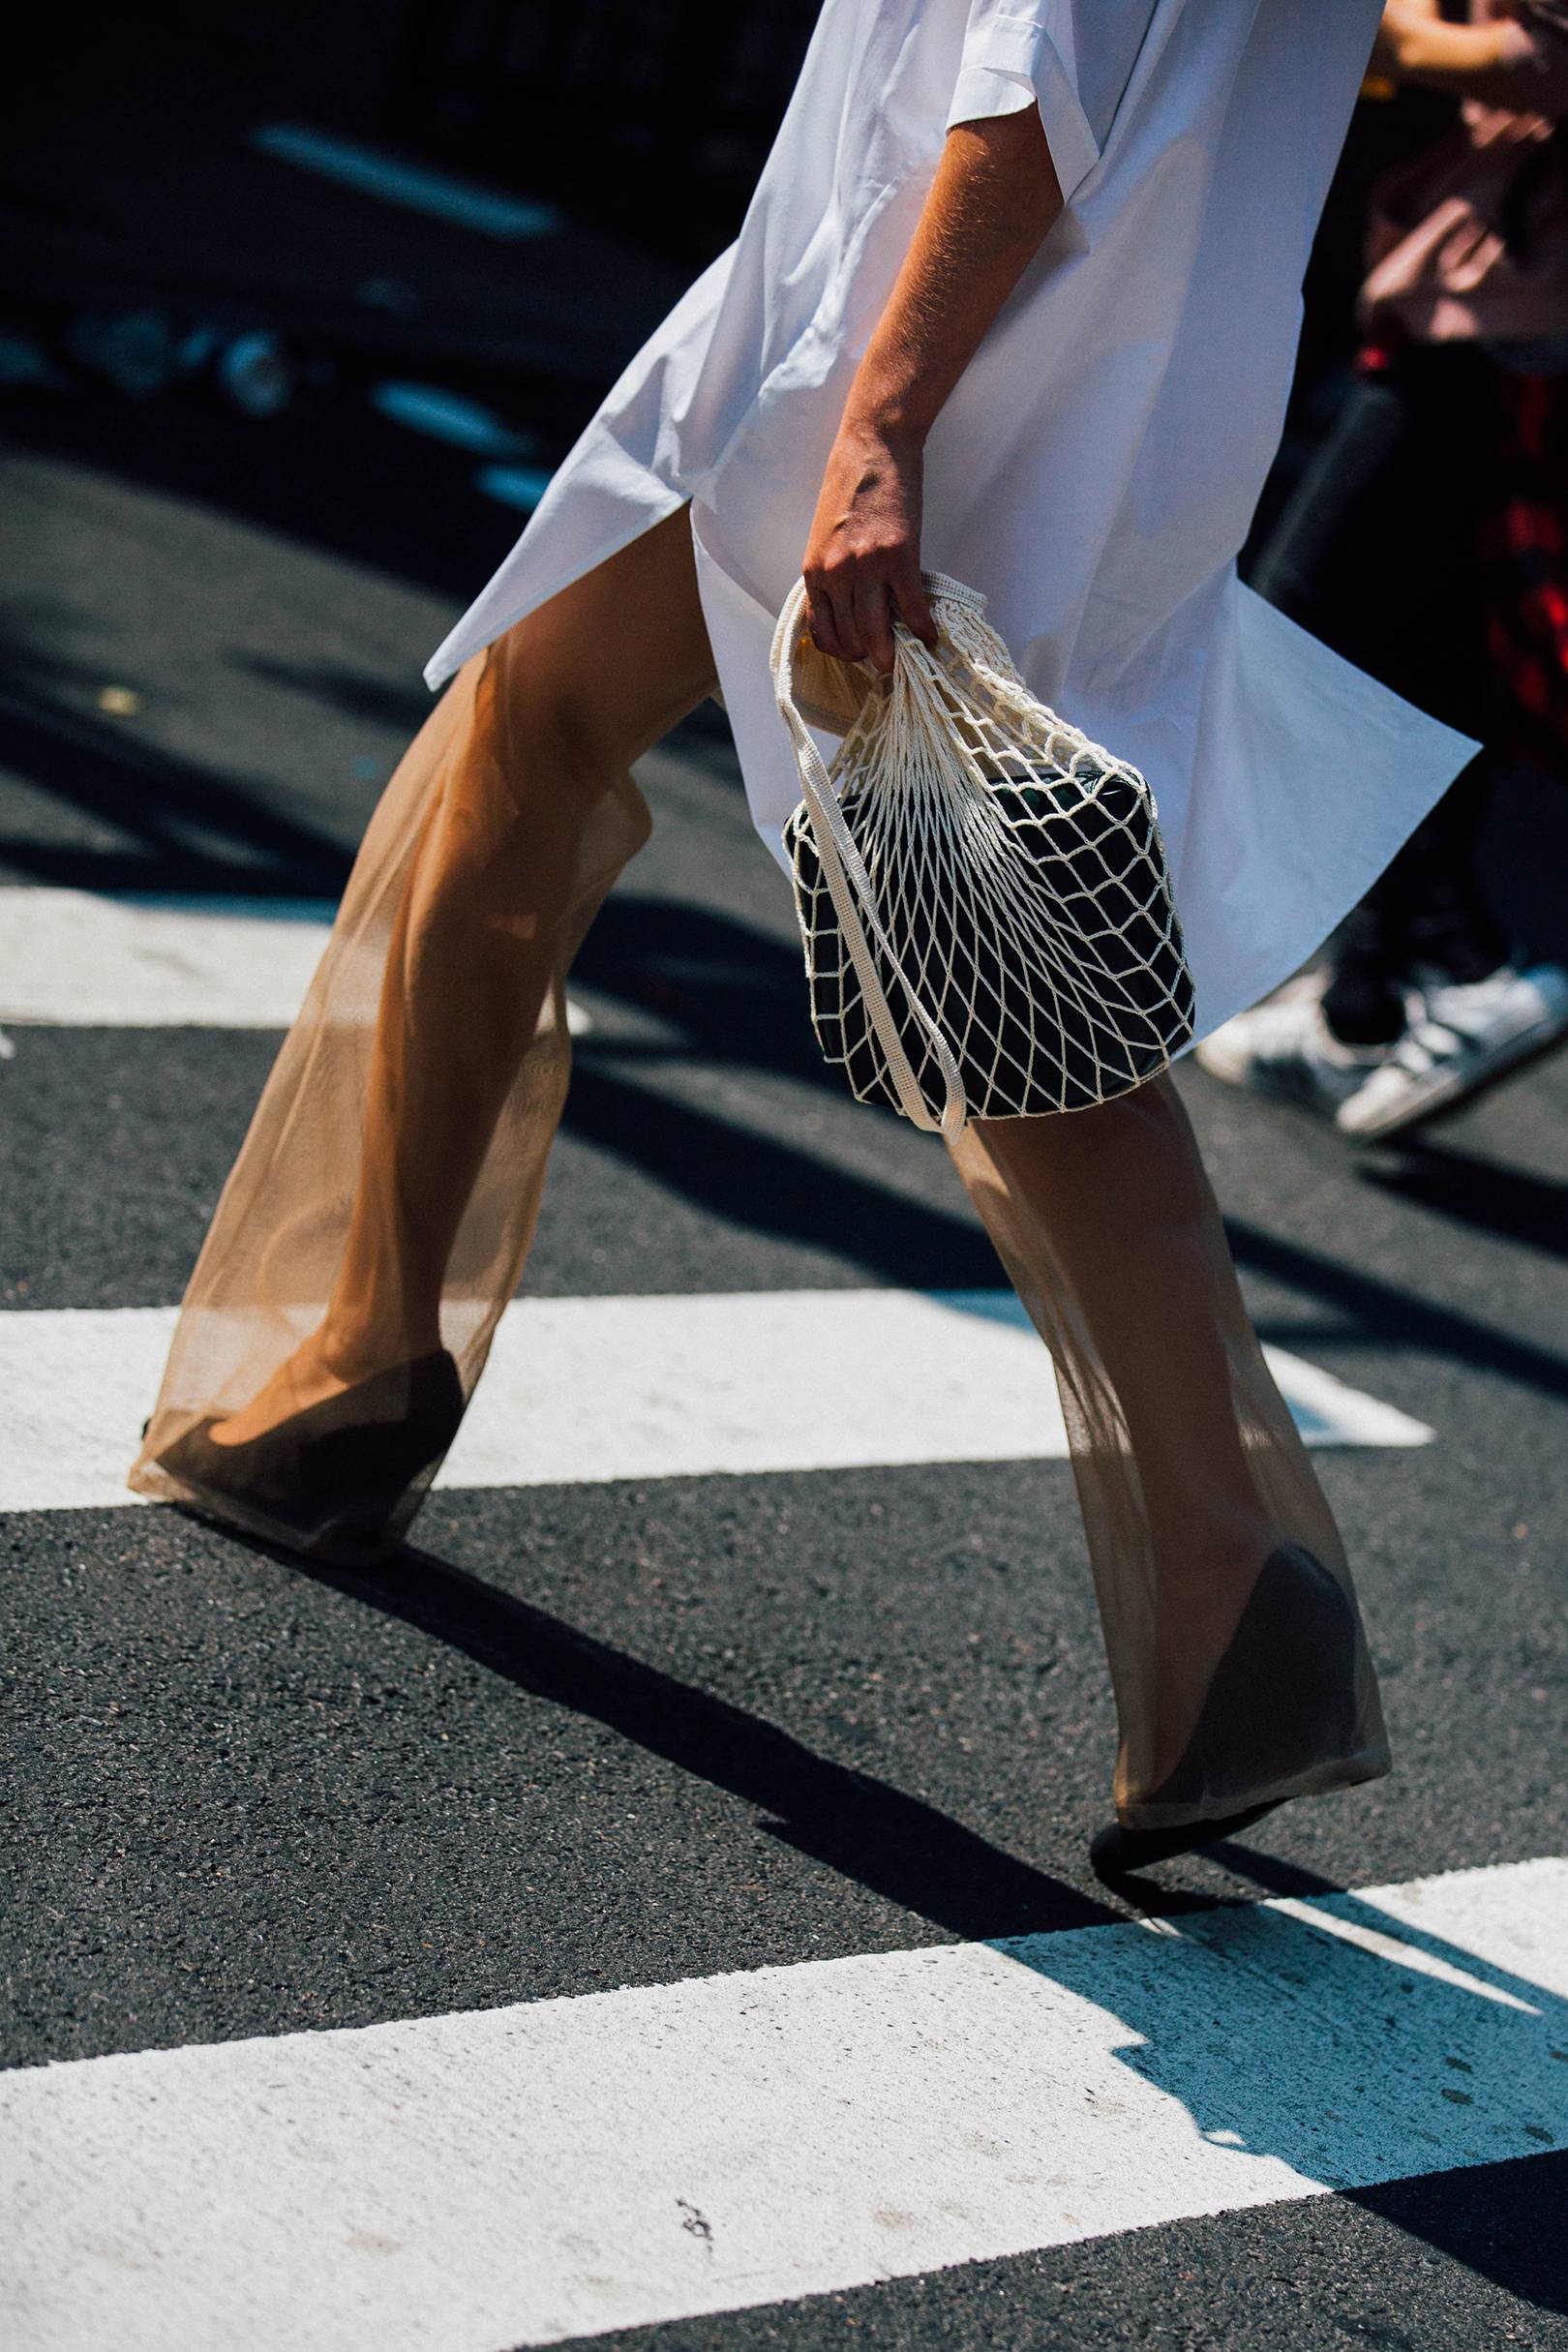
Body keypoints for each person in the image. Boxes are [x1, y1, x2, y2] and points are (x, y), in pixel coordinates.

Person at [131, 1, 1470, 1877]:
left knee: (750, 833)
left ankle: (362, 1360)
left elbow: (1036, 55)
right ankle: (1231, 1575)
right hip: (1081, 336)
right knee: (968, 937)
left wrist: (880, 429)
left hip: (918, 322)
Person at [1200, 0, 1568, 1139]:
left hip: (1506, 309)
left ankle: (1462, 959)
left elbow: (1544, 59)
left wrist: (1369, 28)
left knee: (1309, 624)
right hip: (1488, 290)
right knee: (1419, 656)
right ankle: (1371, 998)